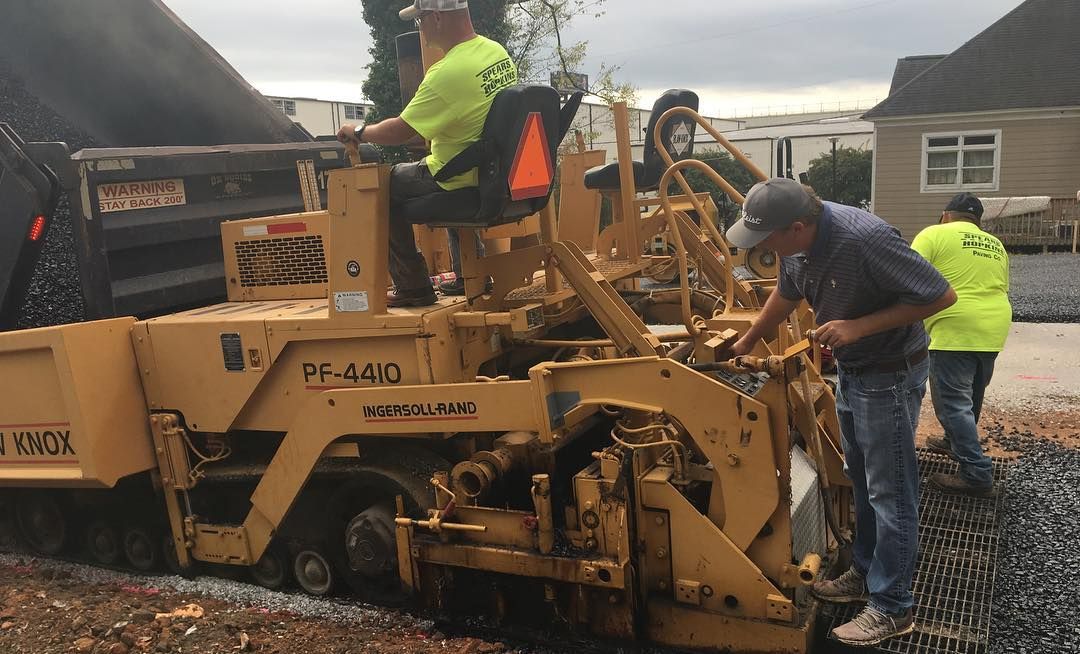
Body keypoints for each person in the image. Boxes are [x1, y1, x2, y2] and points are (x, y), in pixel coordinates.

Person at [727, 178, 956, 647]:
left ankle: (894, 607)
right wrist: (749, 339)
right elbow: (788, 293)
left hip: (889, 374)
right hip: (855, 373)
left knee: (890, 491)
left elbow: (940, 295)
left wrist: (859, 326)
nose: (763, 248)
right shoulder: (795, 246)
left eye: (767, 238)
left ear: (797, 227)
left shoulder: (863, 240)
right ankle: (867, 573)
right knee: (863, 479)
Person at [337, 0, 517, 306]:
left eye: (420, 20)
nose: (419, 28)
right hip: (493, 170)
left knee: (383, 186)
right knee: (448, 167)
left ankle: (412, 285)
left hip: (462, 175)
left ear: (436, 18)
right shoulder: (495, 52)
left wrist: (358, 132)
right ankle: (468, 274)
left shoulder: (446, 73)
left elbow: (400, 131)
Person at [911, 193, 1011, 496]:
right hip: (994, 326)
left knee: (953, 404)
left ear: (945, 215)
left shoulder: (934, 233)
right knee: (971, 394)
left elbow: (906, 274)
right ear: (977, 222)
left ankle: (977, 474)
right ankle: (954, 442)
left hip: (954, 326)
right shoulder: (996, 245)